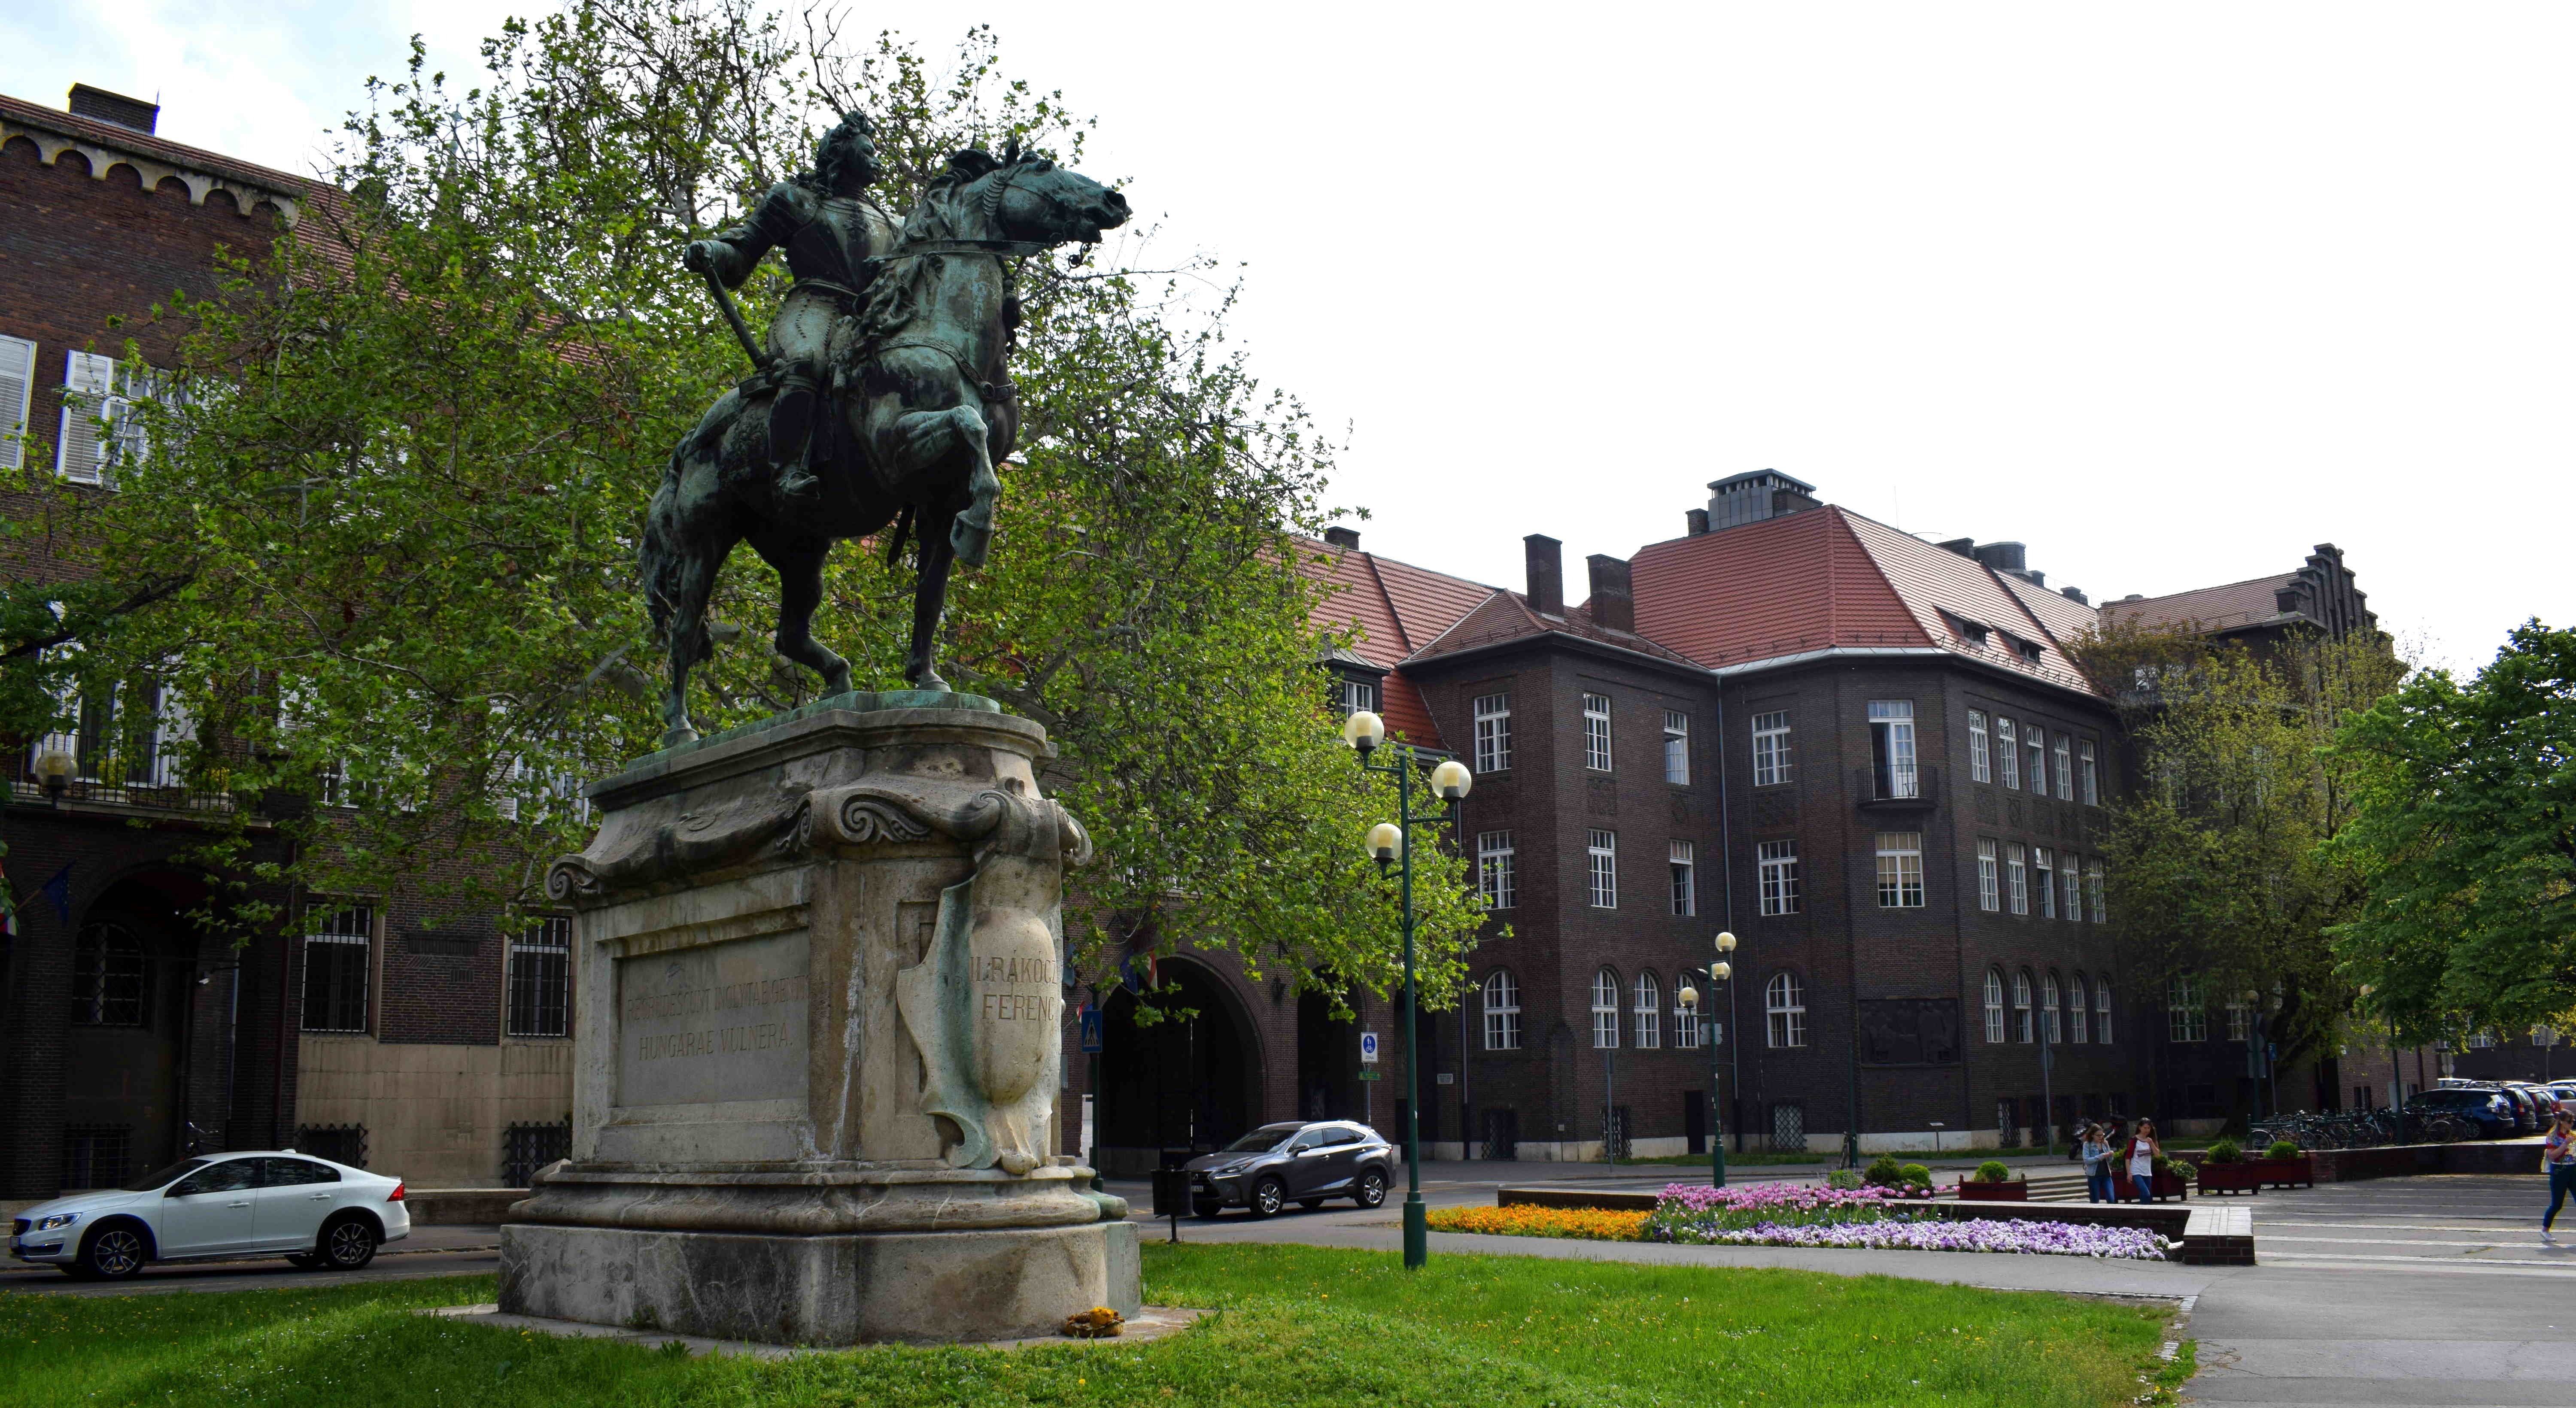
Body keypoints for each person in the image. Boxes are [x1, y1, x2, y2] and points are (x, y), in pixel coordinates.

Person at [683, 112, 903, 509]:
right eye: (868, 150)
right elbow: (745, 249)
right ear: (840, 153)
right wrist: (713, 251)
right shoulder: (796, 200)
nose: (876, 158)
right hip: (814, 307)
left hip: (872, 316)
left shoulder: (896, 222)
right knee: (806, 360)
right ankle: (786, 470)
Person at [2543, 1108, 2576, 1243]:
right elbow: (2552, 1155)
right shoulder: (2553, 1136)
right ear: (2562, 1122)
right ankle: (2545, 1229)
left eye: (2573, 1121)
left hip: (2573, 1170)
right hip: (2559, 1171)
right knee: (2557, 1204)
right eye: (2569, 1121)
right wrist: (2565, 1144)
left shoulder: (2573, 1135)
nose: (2572, 1124)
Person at [2121, 1118, 2162, 1204]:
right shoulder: (2134, 1140)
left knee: (2147, 1197)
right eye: (2145, 1128)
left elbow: (2158, 1155)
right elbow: (2128, 1157)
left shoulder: (2151, 1140)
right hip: (2136, 1171)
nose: (2147, 1130)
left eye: (2149, 1128)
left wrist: (2152, 1144)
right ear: (2140, 1128)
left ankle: (2143, 1213)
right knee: (2146, 1193)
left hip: (2147, 1171)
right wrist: (2129, 1174)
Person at [2078, 1123, 2114, 1203]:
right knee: (2095, 1200)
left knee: (2111, 1198)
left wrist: (2110, 1155)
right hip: (2094, 1176)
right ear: (2092, 1135)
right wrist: (2101, 1156)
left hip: (2106, 1175)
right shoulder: (2087, 1145)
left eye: (2102, 1135)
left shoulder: (2105, 1144)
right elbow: (2087, 1160)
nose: (2101, 1137)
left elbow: (2110, 1161)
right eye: (2098, 1135)